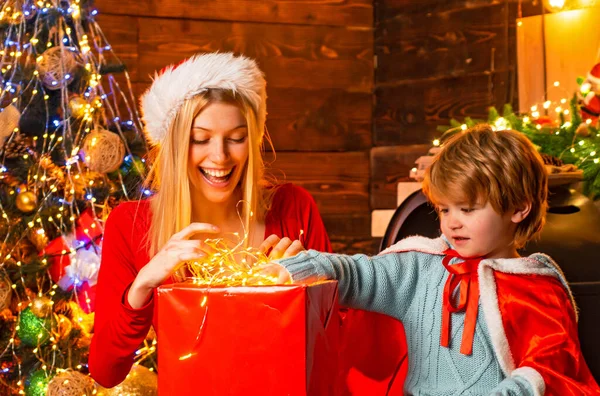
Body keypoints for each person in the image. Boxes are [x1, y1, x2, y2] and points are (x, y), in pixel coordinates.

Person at [266, 125, 600, 394]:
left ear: (518, 208)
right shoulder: (420, 268)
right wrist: (313, 265)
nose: (452, 222)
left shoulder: (536, 289)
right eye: (444, 209)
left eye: (467, 209)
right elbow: (361, 274)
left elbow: (546, 368)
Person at [88, 53, 331, 387]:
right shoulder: (130, 224)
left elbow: (337, 347)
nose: (220, 156)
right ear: (174, 145)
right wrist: (143, 285)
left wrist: (307, 285)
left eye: (236, 137)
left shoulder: (292, 208)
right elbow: (105, 371)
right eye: (200, 139)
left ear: (254, 138)